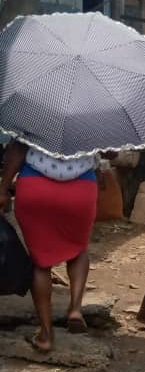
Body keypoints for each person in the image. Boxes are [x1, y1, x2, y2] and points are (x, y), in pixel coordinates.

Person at [0, 142, 99, 352]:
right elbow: (112, 154)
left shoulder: (34, 112)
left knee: (40, 262)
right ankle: (74, 309)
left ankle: (46, 334)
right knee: (78, 249)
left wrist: (3, 188)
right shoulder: (94, 116)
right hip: (81, 190)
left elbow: (17, 151)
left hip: (35, 188)